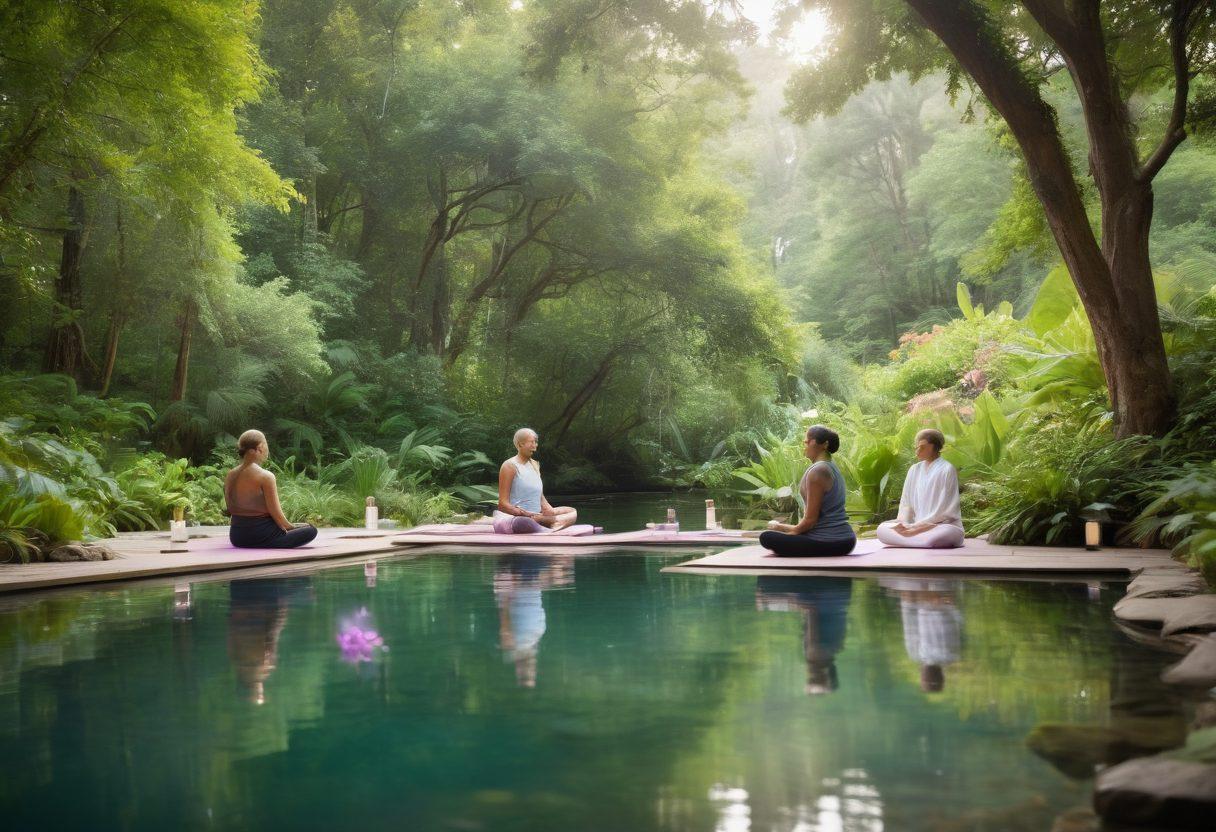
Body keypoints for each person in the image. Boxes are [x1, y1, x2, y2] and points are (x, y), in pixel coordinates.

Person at [758, 425, 857, 557]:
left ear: (823, 444)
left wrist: (785, 530)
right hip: (843, 539)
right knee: (775, 533)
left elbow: (810, 521)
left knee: (766, 537)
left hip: (831, 541)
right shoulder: (829, 467)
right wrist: (782, 529)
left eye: (807, 442)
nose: (804, 446)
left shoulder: (819, 471)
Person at [756, 576, 853, 695]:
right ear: (825, 673)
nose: (809, 675)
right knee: (765, 592)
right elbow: (810, 608)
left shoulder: (836, 648)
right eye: (814, 678)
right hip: (823, 588)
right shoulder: (816, 654)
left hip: (840, 587)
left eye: (810, 679)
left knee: (769, 594)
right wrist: (769, 601)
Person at [225, 429, 318, 549]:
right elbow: (278, 516)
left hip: (237, 537)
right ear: (260, 447)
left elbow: (230, 508)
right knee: (311, 530)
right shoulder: (265, 476)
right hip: (262, 535)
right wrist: (293, 528)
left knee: (301, 526)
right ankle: (266, 543)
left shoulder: (231, 474)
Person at [876, 428, 964, 549]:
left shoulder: (947, 469)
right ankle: (921, 541)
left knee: (944, 533)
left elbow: (945, 513)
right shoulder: (914, 469)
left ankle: (914, 540)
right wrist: (905, 524)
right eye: (917, 447)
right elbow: (906, 504)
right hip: (914, 527)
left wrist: (917, 527)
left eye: (922, 447)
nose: (918, 451)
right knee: (882, 529)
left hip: (940, 526)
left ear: (935, 447)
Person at [493, 428, 577, 533]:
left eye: (536, 442)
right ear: (520, 444)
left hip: (536, 517)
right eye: (532, 442)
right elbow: (502, 505)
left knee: (572, 512)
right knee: (524, 522)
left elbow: (541, 499)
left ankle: (547, 522)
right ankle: (548, 523)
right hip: (515, 518)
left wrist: (549, 511)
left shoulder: (535, 465)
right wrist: (524, 514)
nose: (535, 446)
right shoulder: (509, 466)